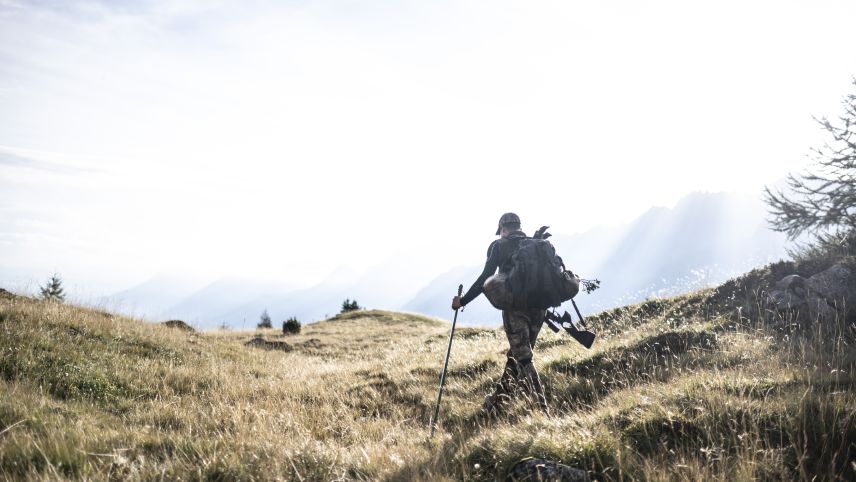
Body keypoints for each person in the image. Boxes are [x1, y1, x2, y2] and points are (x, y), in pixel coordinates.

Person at [451, 212, 549, 415]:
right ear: (519, 226)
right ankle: (497, 404)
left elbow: (485, 279)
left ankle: (543, 410)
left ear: (503, 229)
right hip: (540, 308)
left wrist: (463, 301)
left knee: (523, 358)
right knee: (516, 355)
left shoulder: (500, 246)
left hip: (516, 310)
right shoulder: (534, 244)